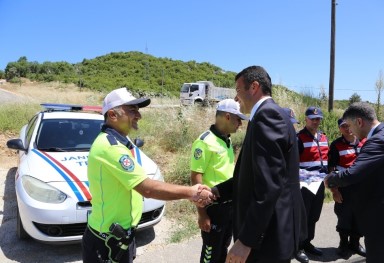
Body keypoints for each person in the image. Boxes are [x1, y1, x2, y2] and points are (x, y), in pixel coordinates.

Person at [82, 87, 214, 263]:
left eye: (138, 110)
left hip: (120, 236)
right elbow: (148, 189)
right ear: (112, 115)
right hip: (106, 242)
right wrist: (192, 193)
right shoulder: (110, 147)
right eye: (132, 110)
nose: (138, 115)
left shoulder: (121, 142)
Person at [213, 65, 307, 263]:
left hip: (268, 240)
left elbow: (268, 186)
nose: (236, 98)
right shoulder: (267, 115)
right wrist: (217, 192)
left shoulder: (267, 116)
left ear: (254, 87)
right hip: (268, 234)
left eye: (238, 91)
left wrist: (246, 241)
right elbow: (254, 177)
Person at [325, 102, 384, 263]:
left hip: (381, 215)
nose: (351, 131)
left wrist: (330, 179)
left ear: (359, 122)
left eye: (350, 125)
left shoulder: (378, 141)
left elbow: (352, 174)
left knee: (380, 257)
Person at [190, 99, 248, 263]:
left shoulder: (226, 139)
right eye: (238, 119)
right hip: (213, 209)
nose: (240, 124)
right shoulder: (204, 141)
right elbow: (196, 178)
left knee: (222, 249)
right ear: (228, 117)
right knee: (210, 253)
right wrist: (202, 214)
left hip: (229, 207)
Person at [327, 118, 366, 258]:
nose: (347, 128)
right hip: (344, 188)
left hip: (362, 188)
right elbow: (331, 169)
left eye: (349, 125)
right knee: (344, 217)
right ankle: (343, 244)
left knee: (359, 217)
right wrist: (334, 190)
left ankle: (355, 243)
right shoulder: (336, 145)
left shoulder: (364, 141)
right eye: (343, 126)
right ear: (340, 129)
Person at [295, 106, 328, 263]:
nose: (315, 121)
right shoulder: (299, 138)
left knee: (314, 215)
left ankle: (308, 242)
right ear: (306, 119)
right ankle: (298, 246)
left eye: (318, 119)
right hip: (305, 184)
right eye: (312, 118)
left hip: (319, 182)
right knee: (303, 216)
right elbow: (293, 163)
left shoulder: (323, 137)